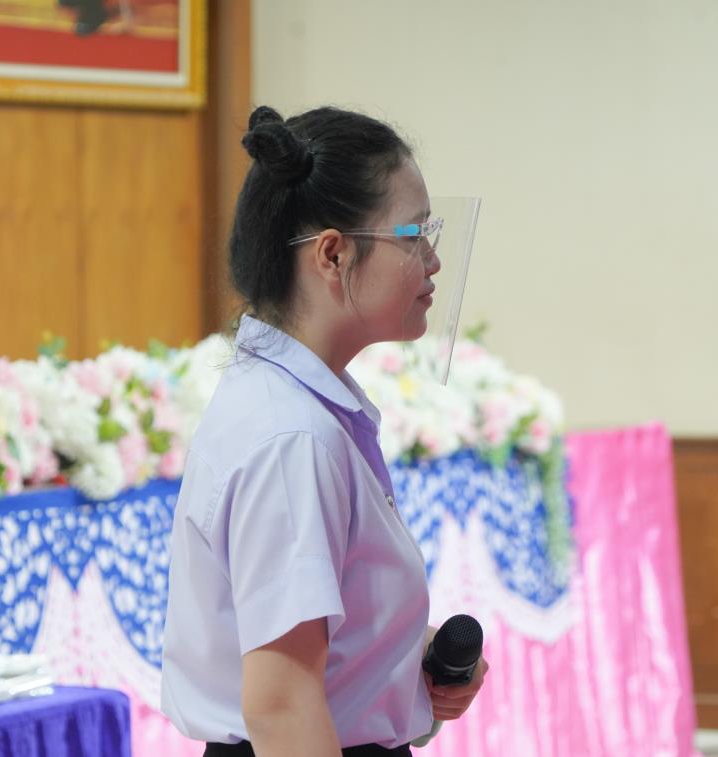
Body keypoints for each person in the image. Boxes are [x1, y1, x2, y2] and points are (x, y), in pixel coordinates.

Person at [160, 105, 487, 756]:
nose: (433, 260)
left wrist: (397, 654)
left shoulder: (295, 405)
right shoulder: (291, 437)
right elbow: (282, 705)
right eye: (415, 235)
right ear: (333, 254)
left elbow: (299, 635)